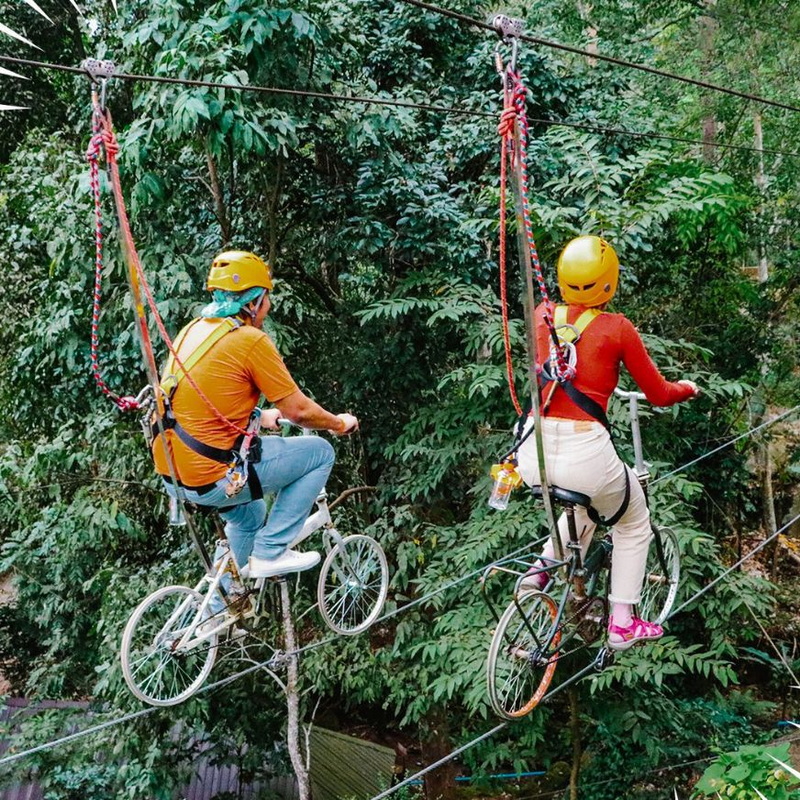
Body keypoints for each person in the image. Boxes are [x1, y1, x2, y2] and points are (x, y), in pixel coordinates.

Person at [516, 235, 698, 651]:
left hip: (532, 449)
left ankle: (539, 572)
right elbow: (658, 393)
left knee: (587, 505)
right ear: (609, 281)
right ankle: (622, 621)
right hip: (585, 453)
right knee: (632, 520)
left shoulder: (543, 313)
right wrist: (686, 388)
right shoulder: (617, 328)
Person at [152, 250, 358, 580]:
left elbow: (203, 399)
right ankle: (269, 553)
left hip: (173, 473)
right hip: (212, 476)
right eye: (267, 298)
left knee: (251, 515)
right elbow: (300, 411)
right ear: (254, 301)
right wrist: (337, 423)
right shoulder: (249, 340)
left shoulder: (194, 329)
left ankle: (224, 606)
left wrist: (260, 417)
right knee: (320, 453)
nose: (269, 306)